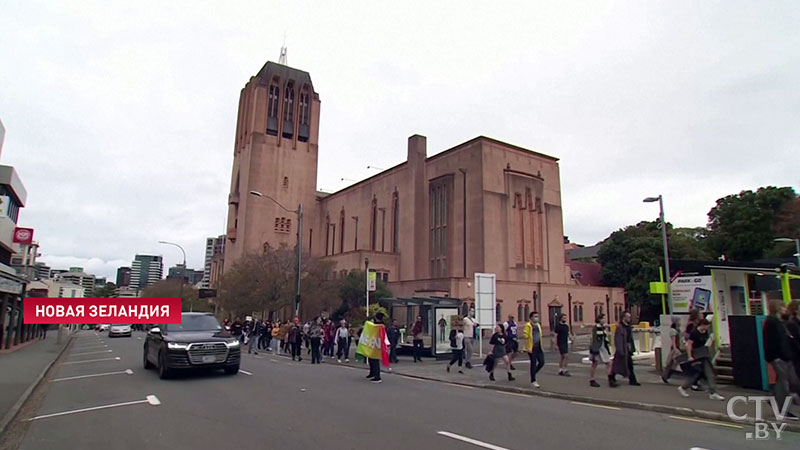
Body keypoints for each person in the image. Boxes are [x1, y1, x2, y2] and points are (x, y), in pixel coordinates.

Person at [764, 299, 798, 419]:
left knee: (786, 382)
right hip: (779, 357)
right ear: (778, 308)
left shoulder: (778, 321)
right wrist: (778, 356)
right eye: (783, 307)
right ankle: (784, 409)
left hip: (783, 356)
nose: (785, 309)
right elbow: (774, 342)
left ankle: (773, 399)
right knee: (784, 384)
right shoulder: (772, 322)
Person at [678, 318, 725, 401]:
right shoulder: (694, 333)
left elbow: (706, 344)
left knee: (704, 374)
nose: (708, 328)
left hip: (703, 355)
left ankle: (712, 392)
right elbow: (689, 345)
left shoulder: (705, 332)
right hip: (696, 356)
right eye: (707, 326)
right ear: (702, 325)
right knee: (701, 373)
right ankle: (684, 387)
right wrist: (690, 356)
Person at [608, 311, 639, 387]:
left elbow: (630, 339)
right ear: (624, 317)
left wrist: (632, 348)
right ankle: (611, 377)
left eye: (630, 317)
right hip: (622, 349)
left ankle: (632, 380)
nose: (629, 318)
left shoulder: (628, 326)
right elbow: (618, 339)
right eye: (628, 317)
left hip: (627, 348)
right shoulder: (620, 327)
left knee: (629, 364)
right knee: (618, 365)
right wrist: (620, 350)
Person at [523, 311, 545, 388]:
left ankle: (533, 373)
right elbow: (526, 337)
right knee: (533, 363)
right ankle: (533, 380)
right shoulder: (528, 325)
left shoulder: (538, 325)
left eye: (537, 316)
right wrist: (527, 348)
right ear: (531, 317)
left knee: (542, 362)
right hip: (531, 347)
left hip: (539, 347)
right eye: (535, 316)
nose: (537, 318)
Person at [589, 313, 611, 387]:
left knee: (608, 363)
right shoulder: (596, 328)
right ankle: (592, 379)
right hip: (597, 348)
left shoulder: (602, 327)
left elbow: (604, 338)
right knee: (595, 364)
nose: (604, 320)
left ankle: (610, 379)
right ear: (599, 319)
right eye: (603, 318)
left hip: (603, 347)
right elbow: (595, 339)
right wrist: (594, 349)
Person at [661, 316, 684, 384]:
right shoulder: (673, 331)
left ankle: (666, 375)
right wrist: (675, 349)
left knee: (672, 363)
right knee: (671, 363)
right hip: (676, 348)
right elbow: (673, 340)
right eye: (679, 321)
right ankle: (666, 375)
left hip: (677, 347)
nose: (680, 322)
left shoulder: (678, 330)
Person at [366, 312, 387, 383]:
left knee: (375, 360)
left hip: (377, 344)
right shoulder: (376, 324)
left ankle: (377, 376)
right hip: (373, 343)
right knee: (371, 359)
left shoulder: (381, 325)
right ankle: (372, 373)